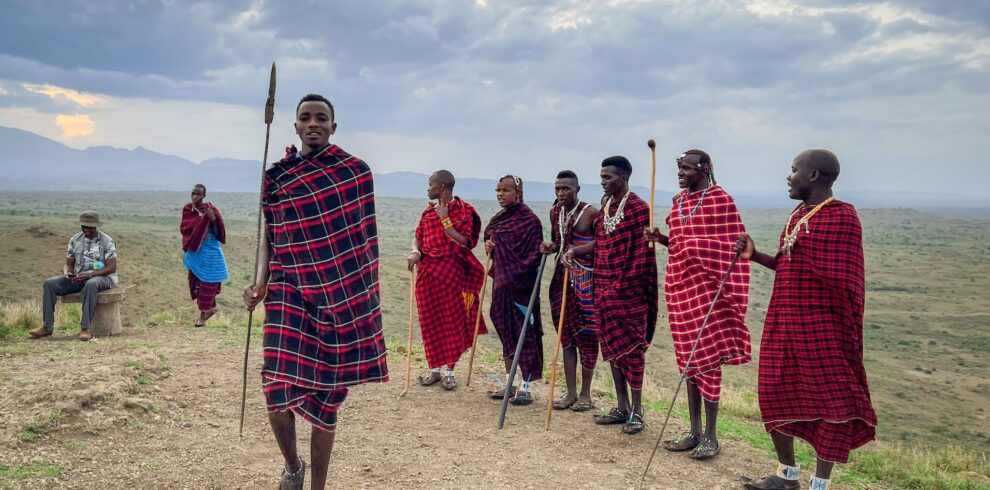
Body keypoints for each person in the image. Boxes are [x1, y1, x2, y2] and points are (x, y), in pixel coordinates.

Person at [243, 94, 388, 490]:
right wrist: (260, 280)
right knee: (275, 388)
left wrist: (360, 299)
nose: (313, 123)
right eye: (305, 117)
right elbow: (270, 237)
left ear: (333, 127)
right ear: (294, 127)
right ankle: (293, 467)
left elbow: (361, 245)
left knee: (326, 396)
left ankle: (319, 487)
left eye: (321, 118)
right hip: (288, 290)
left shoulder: (355, 173)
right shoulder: (277, 177)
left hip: (339, 300)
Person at [737, 150, 876, 490]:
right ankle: (787, 476)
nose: (789, 175)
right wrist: (755, 256)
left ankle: (820, 484)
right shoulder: (799, 214)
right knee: (774, 391)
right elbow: (790, 265)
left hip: (824, 330)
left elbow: (844, 278)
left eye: (794, 169)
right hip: (784, 324)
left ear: (813, 175)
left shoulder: (841, 217)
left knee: (832, 402)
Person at [644, 150, 751, 459]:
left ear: (704, 169)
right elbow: (679, 243)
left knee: (707, 361)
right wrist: (661, 238)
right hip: (680, 289)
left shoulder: (721, 201)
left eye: (687, 168)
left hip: (709, 291)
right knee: (688, 362)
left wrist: (694, 248)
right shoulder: (679, 202)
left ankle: (711, 436)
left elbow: (731, 248)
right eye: (679, 167)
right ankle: (693, 431)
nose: (680, 173)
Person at [569, 156, 657, 435]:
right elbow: (599, 243)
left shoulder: (638, 208)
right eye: (602, 176)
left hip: (629, 293)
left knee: (632, 352)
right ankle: (621, 406)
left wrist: (620, 286)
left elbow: (641, 255)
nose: (603, 181)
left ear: (624, 177)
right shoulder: (607, 207)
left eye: (608, 177)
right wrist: (576, 251)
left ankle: (637, 410)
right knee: (613, 350)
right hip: (602, 288)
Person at [407, 170, 487, 391]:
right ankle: (434, 369)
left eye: (430, 184)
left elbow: (466, 243)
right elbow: (418, 236)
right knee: (430, 322)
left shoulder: (464, 211)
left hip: (453, 276)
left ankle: (450, 372)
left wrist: (445, 220)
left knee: (453, 323)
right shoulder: (428, 211)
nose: (428, 188)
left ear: (441, 186)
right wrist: (415, 252)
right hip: (428, 275)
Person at [541, 170, 599, 413]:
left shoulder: (591, 213)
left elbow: (601, 242)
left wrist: (576, 251)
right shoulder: (556, 211)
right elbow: (558, 241)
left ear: (577, 189)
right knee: (565, 337)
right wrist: (550, 246)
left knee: (586, 337)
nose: (561, 193)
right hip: (561, 278)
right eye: (558, 189)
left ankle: (586, 394)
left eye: (566, 189)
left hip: (586, 281)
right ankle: (570, 392)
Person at [483, 175, 545, 406]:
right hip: (501, 287)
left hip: (522, 290)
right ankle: (510, 384)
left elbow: (533, 257)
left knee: (525, 337)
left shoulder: (530, 221)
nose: (500, 194)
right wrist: (489, 245)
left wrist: (512, 271)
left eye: (505, 190)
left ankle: (526, 389)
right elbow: (489, 236)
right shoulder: (500, 218)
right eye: (497, 190)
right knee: (506, 334)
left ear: (517, 192)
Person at [31, 211, 118, 341]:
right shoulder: (75, 240)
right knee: (49, 283)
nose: (86, 229)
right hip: (79, 277)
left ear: (96, 226)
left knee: (91, 284)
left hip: (103, 278)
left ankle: (85, 328)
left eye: (90, 227)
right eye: (84, 226)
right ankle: (47, 327)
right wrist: (67, 273)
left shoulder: (106, 241)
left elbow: (111, 267)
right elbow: (69, 264)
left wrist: (89, 275)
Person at [180, 184, 229, 327]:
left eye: (198, 194)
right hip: (196, 251)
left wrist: (212, 219)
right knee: (196, 282)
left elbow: (220, 230)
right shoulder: (188, 209)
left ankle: (203, 316)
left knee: (209, 282)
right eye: (193, 193)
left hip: (211, 250)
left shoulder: (210, 209)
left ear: (204, 196)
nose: (195, 197)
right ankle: (209, 309)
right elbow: (185, 229)